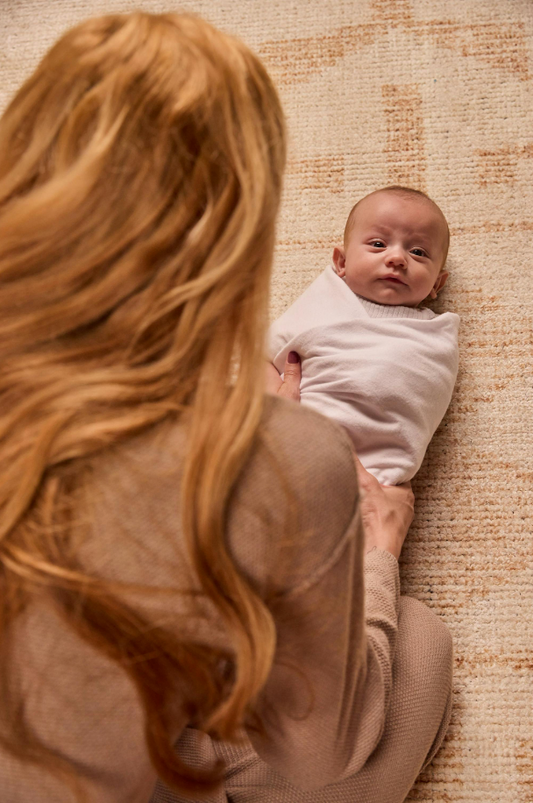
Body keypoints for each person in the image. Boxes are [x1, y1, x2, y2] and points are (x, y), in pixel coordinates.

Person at [0, 11, 453, 803]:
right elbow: (323, 755)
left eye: (416, 254)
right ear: (237, 223)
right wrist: (378, 553)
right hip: (140, 768)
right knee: (411, 647)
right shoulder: (285, 451)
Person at [266, 186, 460, 485]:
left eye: (418, 252)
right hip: (292, 441)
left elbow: (421, 403)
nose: (397, 258)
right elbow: (263, 357)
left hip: (374, 477)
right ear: (342, 263)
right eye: (379, 244)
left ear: (438, 282)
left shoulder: (435, 337)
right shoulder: (325, 301)